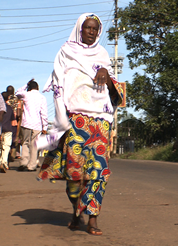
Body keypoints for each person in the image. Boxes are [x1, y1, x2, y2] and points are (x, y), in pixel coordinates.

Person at [36, 13, 123, 236]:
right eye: (88, 28)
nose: (92, 32)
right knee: (75, 174)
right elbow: (57, 85)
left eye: (95, 29)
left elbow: (116, 93)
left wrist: (106, 74)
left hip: (100, 122)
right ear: (80, 29)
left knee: (99, 172)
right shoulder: (66, 52)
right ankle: (76, 211)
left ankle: (92, 219)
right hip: (75, 120)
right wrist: (60, 118)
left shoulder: (103, 54)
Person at [16, 79, 48, 171]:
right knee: (34, 146)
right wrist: (45, 126)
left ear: (29, 88)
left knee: (25, 143)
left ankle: (24, 163)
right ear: (38, 88)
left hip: (26, 123)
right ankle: (32, 165)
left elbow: (17, 93)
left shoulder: (26, 95)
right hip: (37, 125)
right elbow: (44, 113)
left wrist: (26, 84)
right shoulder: (42, 98)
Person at [0, 92, 15, 173]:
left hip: (0, 129)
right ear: (8, 98)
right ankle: (4, 162)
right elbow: (13, 121)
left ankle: (1, 161)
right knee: (7, 146)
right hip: (8, 129)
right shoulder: (9, 108)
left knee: (1, 146)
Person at [6, 85, 20, 161]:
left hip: (6, 121)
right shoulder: (16, 99)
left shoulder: (5, 98)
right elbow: (19, 110)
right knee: (14, 138)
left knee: (6, 137)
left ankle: (7, 154)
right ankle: (12, 153)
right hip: (14, 121)